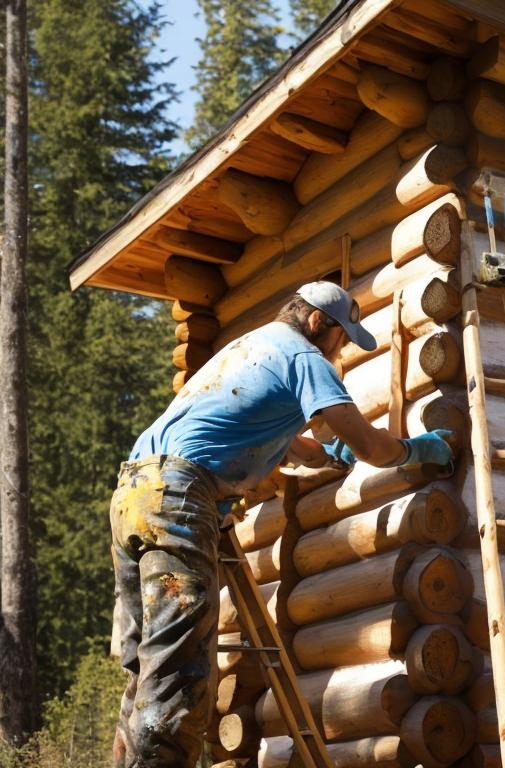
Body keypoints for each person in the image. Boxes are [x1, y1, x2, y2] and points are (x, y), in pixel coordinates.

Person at [110, 281, 453, 768]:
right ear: (317, 322)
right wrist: (417, 449)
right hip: (179, 500)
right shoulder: (303, 357)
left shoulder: (250, 347)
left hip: (134, 495)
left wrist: (324, 457)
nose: (340, 351)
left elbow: (287, 442)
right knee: (179, 669)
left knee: (145, 665)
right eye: (341, 338)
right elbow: (369, 446)